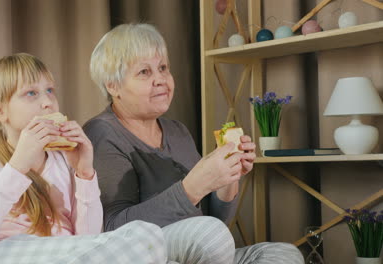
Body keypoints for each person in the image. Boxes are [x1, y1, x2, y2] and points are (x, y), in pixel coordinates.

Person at [84, 23, 305, 264]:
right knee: (209, 236)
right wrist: (192, 187)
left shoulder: (177, 132)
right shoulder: (102, 133)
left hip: (202, 249)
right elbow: (113, 229)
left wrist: (228, 179)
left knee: (284, 254)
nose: (160, 79)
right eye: (144, 72)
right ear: (113, 85)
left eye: (163, 68)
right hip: (147, 255)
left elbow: (215, 222)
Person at [0, 53, 180, 264]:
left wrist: (84, 173)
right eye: (31, 93)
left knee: (149, 238)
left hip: (66, 252)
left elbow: (90, 238)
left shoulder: (61, 159)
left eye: (50, 90)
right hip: (4, 253)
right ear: (0, 111)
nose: (47, 102)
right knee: (146, 238)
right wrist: (17, 166)